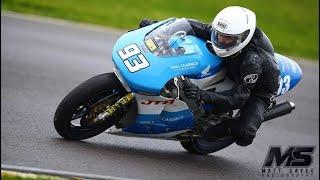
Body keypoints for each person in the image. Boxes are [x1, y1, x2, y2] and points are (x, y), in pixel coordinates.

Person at [138, 6, 280, 146]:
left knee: (244, 134)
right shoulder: (223, 33)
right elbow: (189, 25)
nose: (222, 40)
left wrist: (201, 94)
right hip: (232, 63)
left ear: (242, 38)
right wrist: (155, 27)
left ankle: (213, 128)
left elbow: (239, 99)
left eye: (227, 38)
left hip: (257, 91)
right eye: (219, 35)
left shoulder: (252, 62)